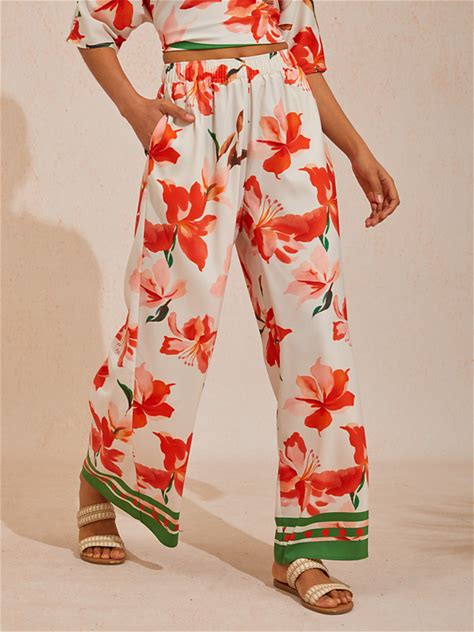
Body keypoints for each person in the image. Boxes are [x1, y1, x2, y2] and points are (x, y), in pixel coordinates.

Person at [67, 0, 399, 616]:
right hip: (193, 124)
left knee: (315, 329)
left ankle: (302, 544)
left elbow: (302, 54)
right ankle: (100, 474)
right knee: (169, 321)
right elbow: (92, 23)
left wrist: (357, 149)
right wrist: (136, 109)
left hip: (287, 122)